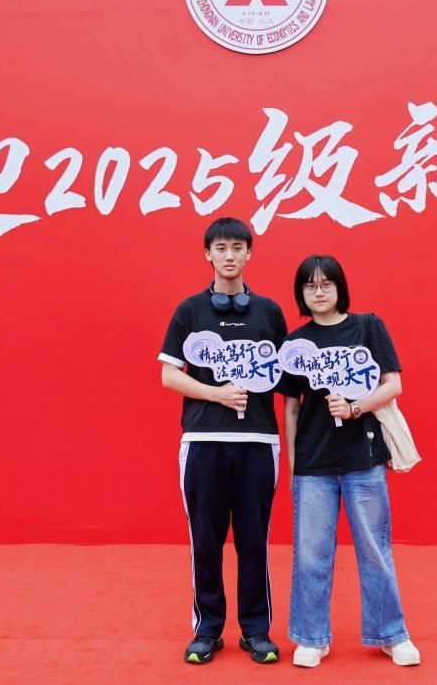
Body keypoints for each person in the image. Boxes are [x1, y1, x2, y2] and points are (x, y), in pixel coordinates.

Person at [158, 217, 288, 665]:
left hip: (258, 441)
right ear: (207, 254)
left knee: (254, 540)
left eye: (237, 248)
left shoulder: (269, 312)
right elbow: (169, 374)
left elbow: (287, 375)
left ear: (250, 253)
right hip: (203, 440)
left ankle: (256, 630)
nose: (229, 256)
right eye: (221, 248)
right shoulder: (189, 311)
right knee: (205, 540)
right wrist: (216, 393)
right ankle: (208, 629)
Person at [282, 254, 420, 668]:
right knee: (311, 555)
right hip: (313, 463)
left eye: (326, 283)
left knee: (375, 550)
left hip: (363, 458)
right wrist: (293, 465)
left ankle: (391, 634)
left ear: (340, 287)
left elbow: (393, 385)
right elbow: (291, 407)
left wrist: (355, 408)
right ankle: (312, 637)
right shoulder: (295, 344)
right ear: (301, 293)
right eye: (310, 286)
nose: (319, 292)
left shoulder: (367, 327)